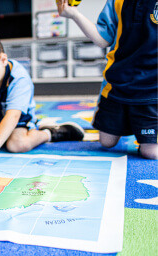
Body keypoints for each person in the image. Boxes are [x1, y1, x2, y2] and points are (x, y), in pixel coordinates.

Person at [0, 32, 85, 169]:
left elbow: (13, 116)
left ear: (3, 60)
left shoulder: (18, 78)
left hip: (17, 121)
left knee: (17, 145)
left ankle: (50, 132)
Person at [56, 0, 157, 159]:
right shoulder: (116, 1)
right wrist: (74, 15)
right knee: (106, 142)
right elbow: (103, 39)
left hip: (152, 90)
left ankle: (144, 132)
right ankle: (135, 125)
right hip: (117, 84)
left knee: (151, 153)